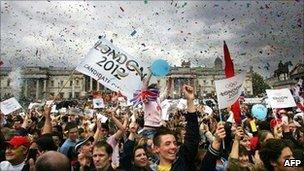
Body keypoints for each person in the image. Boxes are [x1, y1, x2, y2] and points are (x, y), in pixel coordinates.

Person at [152, 85, 199, 171]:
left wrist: (190, 100)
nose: (173, 147)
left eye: (175, 143)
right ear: (156, 149)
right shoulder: (149, 169)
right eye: (167, 143)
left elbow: (192, 137)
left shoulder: (183, 162)